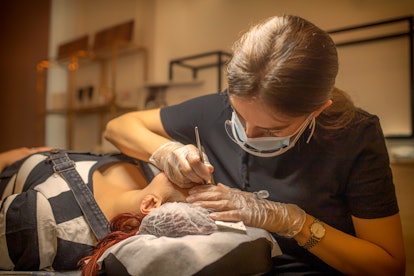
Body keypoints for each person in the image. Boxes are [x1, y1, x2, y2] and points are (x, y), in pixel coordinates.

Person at [104, 14, 406, 275]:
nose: (247, 133)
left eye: (271, 128)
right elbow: (118, 128)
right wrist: (167, 151)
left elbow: (387, 266)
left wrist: (293, 222)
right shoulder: (214, 111)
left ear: (317, 110)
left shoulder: (354, 136)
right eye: (238, 114)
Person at [0, 146, 191, 271]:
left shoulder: (49, 222)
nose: (205, 172)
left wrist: (6, 158)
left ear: (150, 204)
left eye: (197, 187)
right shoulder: (152, 169)